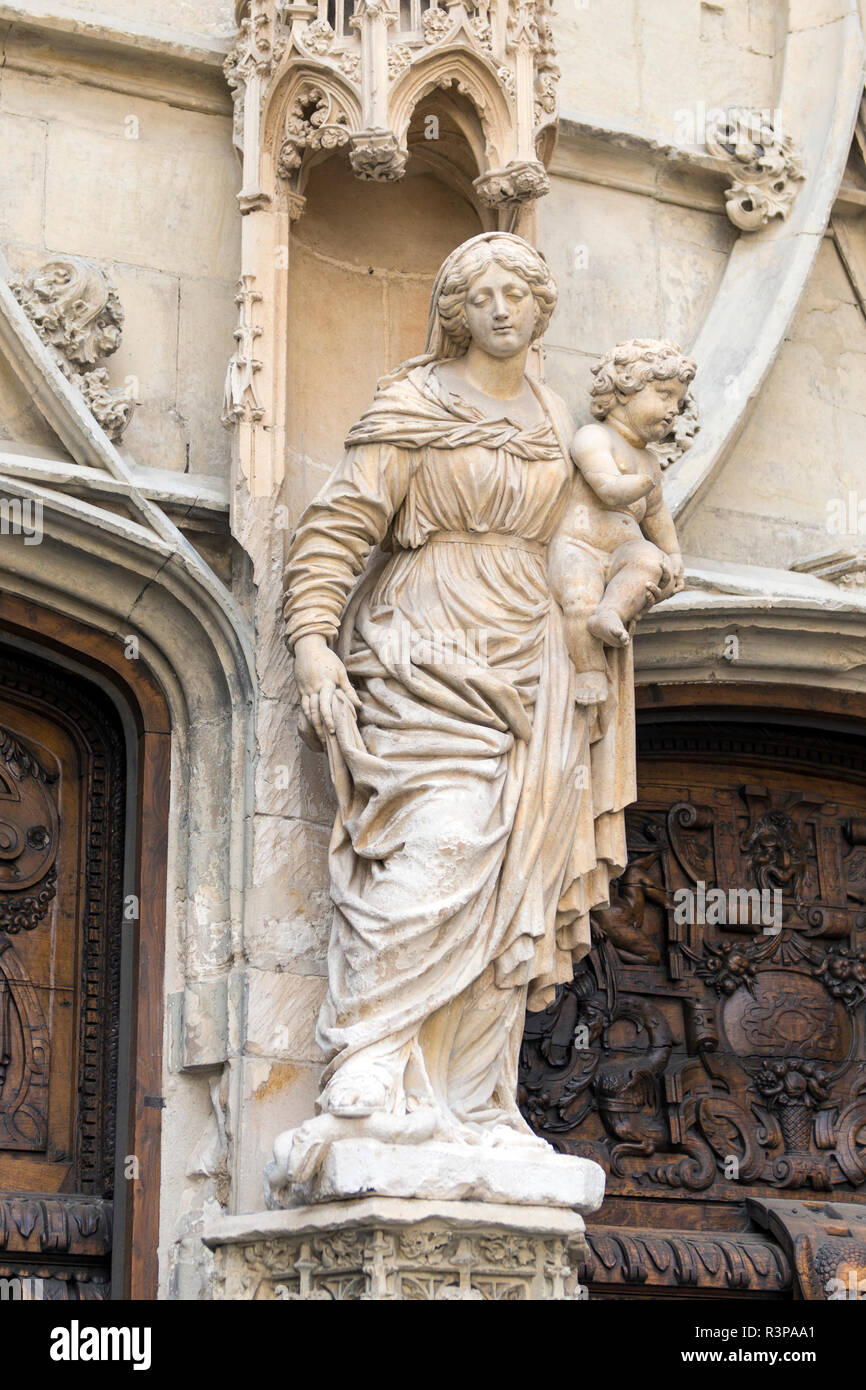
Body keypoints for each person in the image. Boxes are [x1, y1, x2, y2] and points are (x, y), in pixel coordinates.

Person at [281, 232, 635, 1155]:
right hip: (426, 649)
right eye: (482, 294)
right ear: (456, 312)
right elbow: (341, 524)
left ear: (541, 307)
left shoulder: (566, 423)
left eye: (519, 290)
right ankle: (370, 1051)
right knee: (439, 845)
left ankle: (473, 1100)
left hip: (537, 656)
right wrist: (315, 643)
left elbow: (602, 529)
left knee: (517, 872)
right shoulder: (414, 402)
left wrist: (625, 583)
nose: (503, 307)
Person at [548, 339, 695, 706]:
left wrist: (673, 555)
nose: (673, 410)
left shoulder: (649, 462)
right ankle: (590, 669)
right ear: (623, 391)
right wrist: (641, 483)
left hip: (621, 553)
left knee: (649, 558)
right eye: (664, 395)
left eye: (678, 402)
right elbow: (608, 489)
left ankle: (610, 612)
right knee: (579, 599)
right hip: (578, 546)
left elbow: (658, 517)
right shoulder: (595, 437)